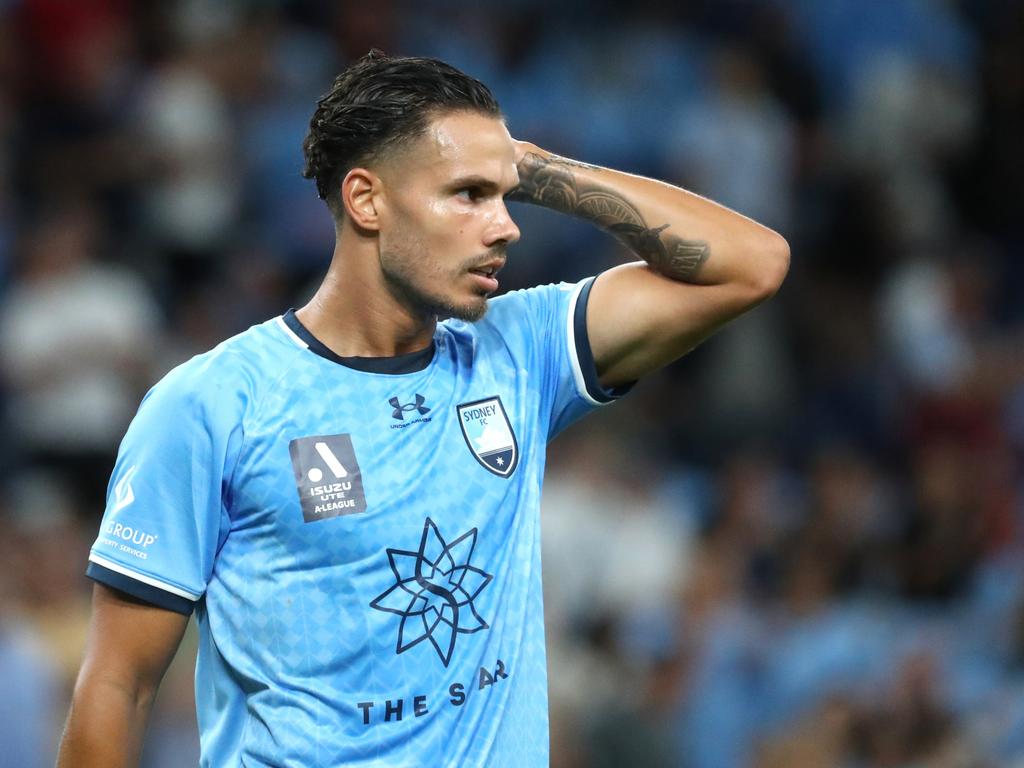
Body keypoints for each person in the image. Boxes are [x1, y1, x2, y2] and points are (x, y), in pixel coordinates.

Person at [57, 50, 788, 767]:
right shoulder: (213, 405)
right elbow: (116, 688)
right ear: (367, 200)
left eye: (503, 196)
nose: (506, 225)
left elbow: (751, 263)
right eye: (468, 195)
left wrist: (531, 167)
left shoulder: (519, 351)